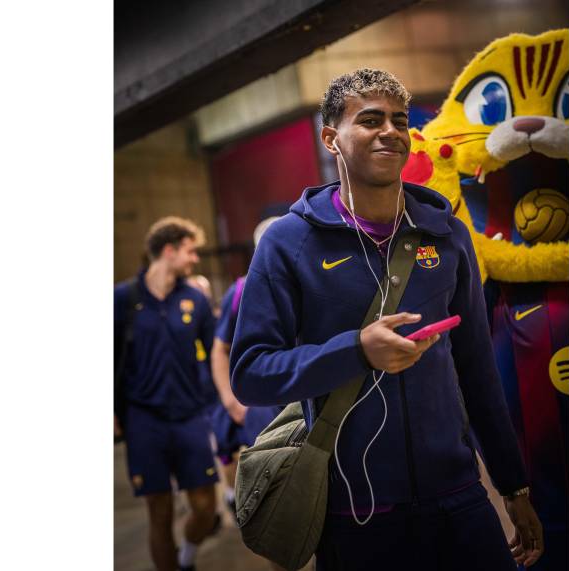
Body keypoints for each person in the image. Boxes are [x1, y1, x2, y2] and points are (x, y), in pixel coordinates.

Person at [229, 69, 545, 570]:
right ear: (331, 138)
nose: (390, 132)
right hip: (356, 512)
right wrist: (356, 351)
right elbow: (251, 372)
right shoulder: (289, 243)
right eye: (370, 120)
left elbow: (477, 370)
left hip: (459, 496)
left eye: (399, 120)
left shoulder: (446, 235)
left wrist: (513, 484)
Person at [115, 216, 219, 571]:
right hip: (143, 419)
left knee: (205, 507)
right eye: (190, 251)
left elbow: (217, 352)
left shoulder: (195, 299)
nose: (195, 259)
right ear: (169, 250)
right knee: (159, 511)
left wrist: (226, 400)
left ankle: (186, 557)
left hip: (190, 415)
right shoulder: (122, 299)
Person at [209, 217, 284, 513]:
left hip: (298, 397)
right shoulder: (241, 290)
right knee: (269, 495)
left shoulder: (309, 281)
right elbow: (220, 350)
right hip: (260, 403)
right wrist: (231, 402)